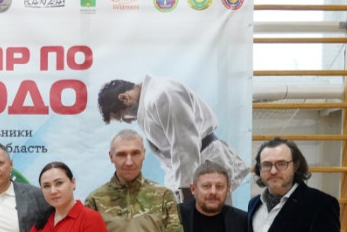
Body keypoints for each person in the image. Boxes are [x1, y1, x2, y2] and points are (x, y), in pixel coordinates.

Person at [96, 75, 249, 202]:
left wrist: (186, 191)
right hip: (190, 170)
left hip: (203, 163)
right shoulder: (149, 102)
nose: (128, 121)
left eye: (122, 117)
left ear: (124, 98)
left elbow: (185, 144)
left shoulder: (161, 95)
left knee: (214, 224)